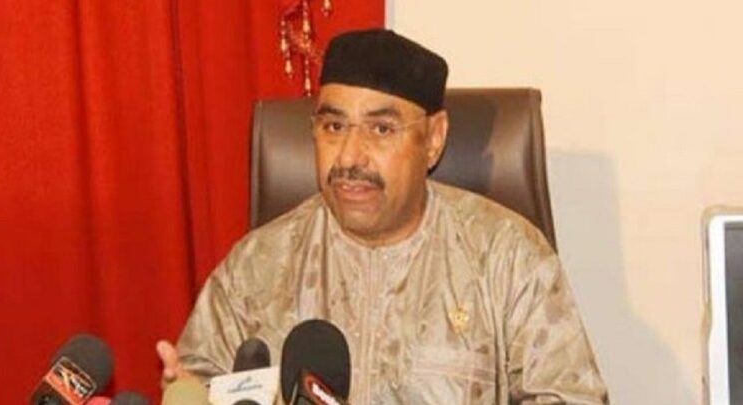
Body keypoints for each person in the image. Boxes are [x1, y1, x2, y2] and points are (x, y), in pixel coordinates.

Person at [157, 29, 609, 404]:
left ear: (434, 139)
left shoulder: (506, 257)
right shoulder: (258, 266)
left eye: (381, 129)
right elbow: (201, 380)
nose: (349, 156)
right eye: (334, 127)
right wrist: (190, 392)